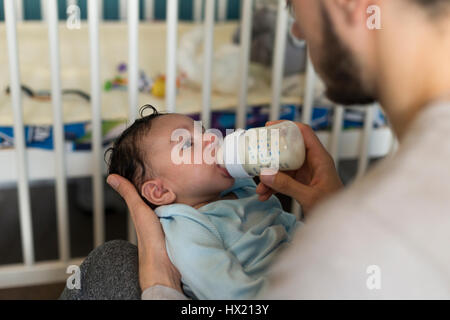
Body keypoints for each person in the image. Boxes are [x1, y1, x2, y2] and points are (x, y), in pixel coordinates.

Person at [60, 0, 450, 300]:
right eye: (189, 142)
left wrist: (160, 283)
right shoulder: (190, 231)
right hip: (253, 284)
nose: (296, 29)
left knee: (108, 263)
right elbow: (228, 286)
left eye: (296, 7)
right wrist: (328, 211)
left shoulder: (363, 246)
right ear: (160, 192)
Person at [104, 106, 301, 299]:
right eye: (188, 143)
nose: (213, 138)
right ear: (160, 191)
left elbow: (287, 224)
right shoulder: (187, 228)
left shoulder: (243, 186)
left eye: (204, 132)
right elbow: (231, 292)